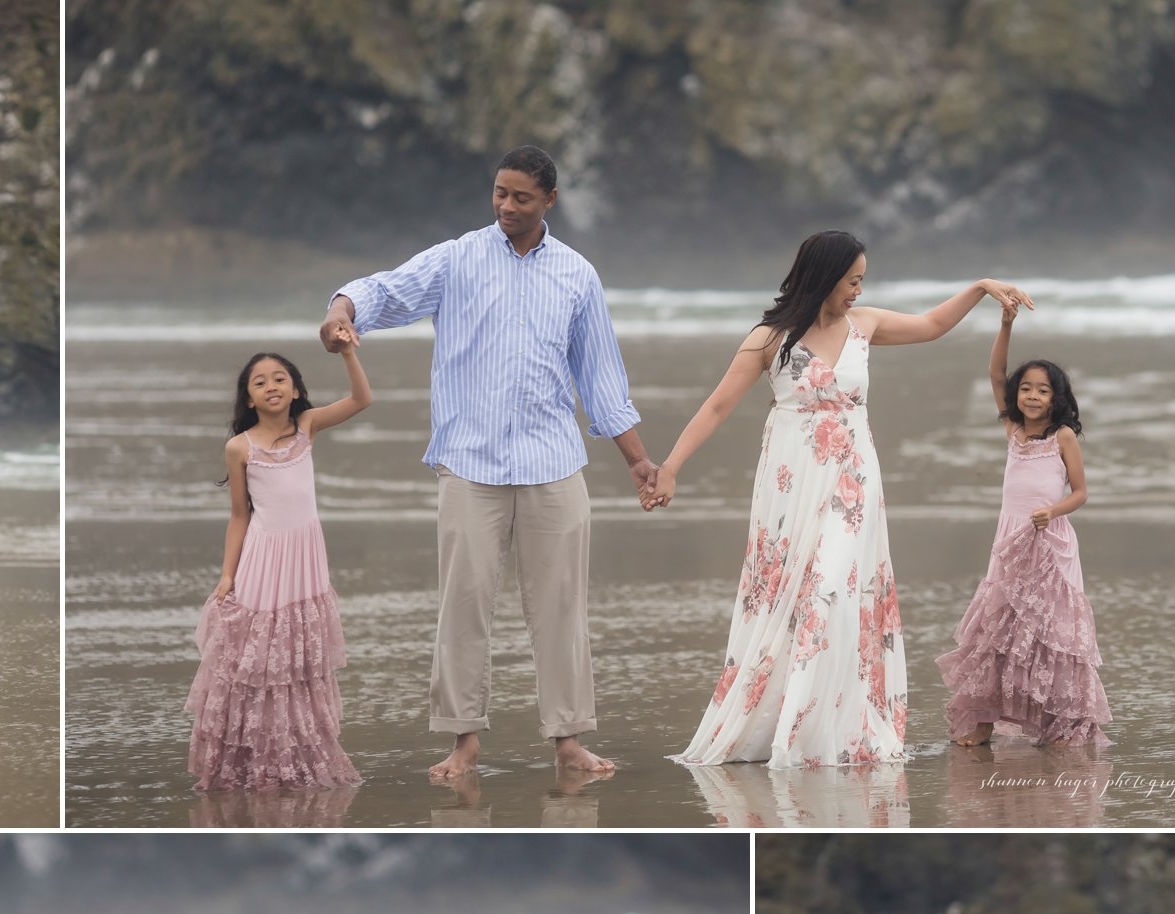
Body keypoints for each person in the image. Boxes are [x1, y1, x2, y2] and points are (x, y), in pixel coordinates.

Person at [320, 143, 654, 783]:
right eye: (499, 193)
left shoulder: (577, 275)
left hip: (555, 464)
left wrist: (637, 462)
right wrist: (342, 310)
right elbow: (384, 289)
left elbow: (603, 381)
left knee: (560, 609)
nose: (506, 206)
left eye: (521, 197)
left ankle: (568, 742)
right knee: (465, 605)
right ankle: (463, 743)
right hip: (469, 464)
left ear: (550, 201)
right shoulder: (457, 260)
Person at [644, 231, 1031, 769]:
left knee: (836, 588)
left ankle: (831, 726)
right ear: (823, 277)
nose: (857, 291)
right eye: (851, 281)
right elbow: (714, 408)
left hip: (853, 480)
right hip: (791, 482)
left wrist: (980, 288)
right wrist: (670, 468)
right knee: (790, 596)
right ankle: (788, 725)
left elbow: (933, 326)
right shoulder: (768, 339)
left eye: (861, 282)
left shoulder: (864, 325)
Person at [186, 340, 371, 791]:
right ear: (249, 397)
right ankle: (248, 763)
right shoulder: (239, 447)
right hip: (263, 559)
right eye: (260, 382)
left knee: (300, 665)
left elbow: (362, 399)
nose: (271, 386)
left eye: (280, 379)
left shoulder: (306, 426)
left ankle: (296, 755)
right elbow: (239, 515)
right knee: (260, 663)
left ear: (295, 390)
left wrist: (348, 353)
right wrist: (227, 575)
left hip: (306, 557)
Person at [938, 304, 1109, 747]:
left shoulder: (1062, 437)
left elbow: (1080, 492)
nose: (1032, 396)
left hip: (1050, 542)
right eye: (1027, 389)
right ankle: (983, 720)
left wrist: (1052, 511)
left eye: (1043, 391)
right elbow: (995, 374)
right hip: (1010, 539)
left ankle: (1059, 720)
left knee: (1049, 631)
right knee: (1000, 624)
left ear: (1057, 398)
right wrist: (1006, 324)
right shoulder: (1013, 428)